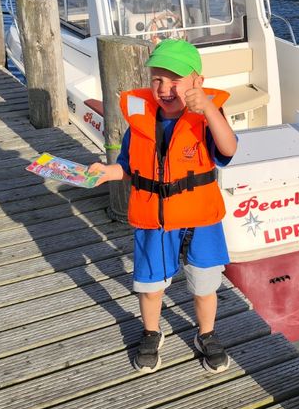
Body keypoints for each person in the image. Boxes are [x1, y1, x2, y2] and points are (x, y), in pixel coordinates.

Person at [88, 39, 238, 374]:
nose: (165, 88)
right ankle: (152, 332)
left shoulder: (208, 118)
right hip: (153, 220)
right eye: (157, 79)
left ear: (197, 82)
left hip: (200, 220)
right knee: (150, 286)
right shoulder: (141, 120)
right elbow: (128, 165)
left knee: (204, 286)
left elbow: (228, 150)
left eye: (176, 80)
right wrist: (107, 172)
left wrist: (210, 110)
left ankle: (206, 334)